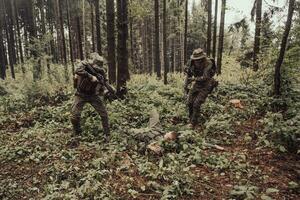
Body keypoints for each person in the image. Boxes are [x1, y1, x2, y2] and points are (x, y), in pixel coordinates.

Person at [70, 53, 110, 140]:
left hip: (93, 95)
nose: (98, 68)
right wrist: (90, 76)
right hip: (80, 94)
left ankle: (107, 135)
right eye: (96, 65)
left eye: (100, 66)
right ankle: (77, 132)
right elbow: (77, 70)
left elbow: (105, 81)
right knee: (74, 116)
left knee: (104, 114)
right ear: (93, 63)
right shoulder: (84, 64)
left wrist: (106, 89)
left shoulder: (102, 71)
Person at [184, 48, 218, 128]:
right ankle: (191, 119)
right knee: (189, 102)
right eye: (196, 60)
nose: (197, 62)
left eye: (199, 60)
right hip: (197, 83)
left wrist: (193, 79)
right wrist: (185, 86)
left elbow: (205, 77)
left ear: (202, 58)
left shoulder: (208, 63)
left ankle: (193, 123)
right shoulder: (191, 62)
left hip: (207, 84)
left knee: (197, 103)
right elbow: (188, 75)